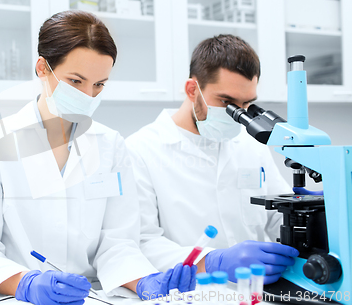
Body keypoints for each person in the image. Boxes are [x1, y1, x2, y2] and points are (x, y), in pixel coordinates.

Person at [0, 10, 196, 305]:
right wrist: (27, 283)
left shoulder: (110, 145)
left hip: (90, 297)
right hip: (14, 299)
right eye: (76, 81)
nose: (88, 96)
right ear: (42, 68)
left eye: (99, 84)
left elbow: (117, 243)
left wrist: (144, 280)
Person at [126, 34, 299, 284]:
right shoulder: (140, 149)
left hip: (257, 291)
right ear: (192, 89)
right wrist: (213, 261)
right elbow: (143, 241)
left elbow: (275, 216)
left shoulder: (251, 142)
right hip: (193, 293)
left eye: (247, 104)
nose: (238, 115)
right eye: (227, 102)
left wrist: (307, 213)